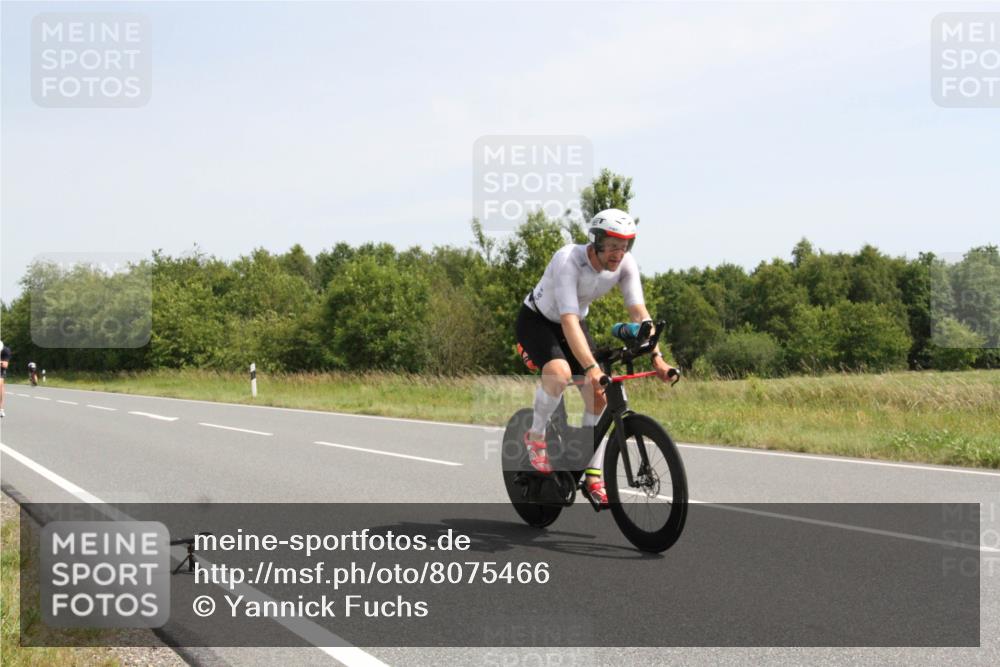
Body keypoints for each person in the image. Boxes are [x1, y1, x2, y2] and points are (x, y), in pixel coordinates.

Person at [514, 209, 677, 506]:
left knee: (600, 395)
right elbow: (567, 319)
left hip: (575, 321)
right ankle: (535, 436)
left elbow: (640, 315)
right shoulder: (568, 260)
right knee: (561, 373)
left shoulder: (625, 265)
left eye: (625, 244)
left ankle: (591, 471)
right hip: (539, 321)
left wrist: (658, 359)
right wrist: (589, 367)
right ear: (597, 241)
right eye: (613, 245)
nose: (619, 252)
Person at [0, 340, 10, 418]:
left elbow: (5, 365)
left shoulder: (5, 350)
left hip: (1, 369)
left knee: (0, 384)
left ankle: (1, 409)